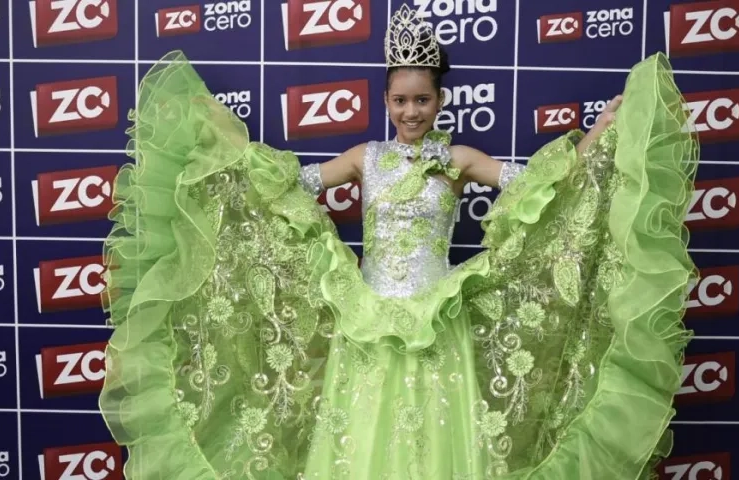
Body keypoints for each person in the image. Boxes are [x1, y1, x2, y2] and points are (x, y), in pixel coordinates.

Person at [98, 3, 700, 479]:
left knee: (443, 440)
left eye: (423, 99)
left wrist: (598, 135)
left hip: (441, 318)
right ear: (385, 101)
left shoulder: (457, 157)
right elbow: (287, 185)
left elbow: (548, 183)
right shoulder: (367, 158)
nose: (411, 111)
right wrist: (223, 156)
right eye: (400, 100)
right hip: (369, 318)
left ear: (440, 100)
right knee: (362, 435)